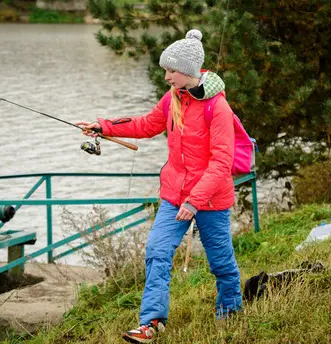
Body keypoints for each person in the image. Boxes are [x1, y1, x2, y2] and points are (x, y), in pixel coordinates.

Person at [77, 29, 242, 343]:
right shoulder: (173, 98)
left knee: (221, 261)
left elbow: (221, 163)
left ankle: (230, 314)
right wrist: (103, 126)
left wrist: (194, 201)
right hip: (173, 194)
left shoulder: (217, 109)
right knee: (156, 250)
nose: (166, 76)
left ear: (188, 72)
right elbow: (146, 124)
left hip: (209, 199)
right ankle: (152, 323)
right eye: (165, 70)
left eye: (171, 71)